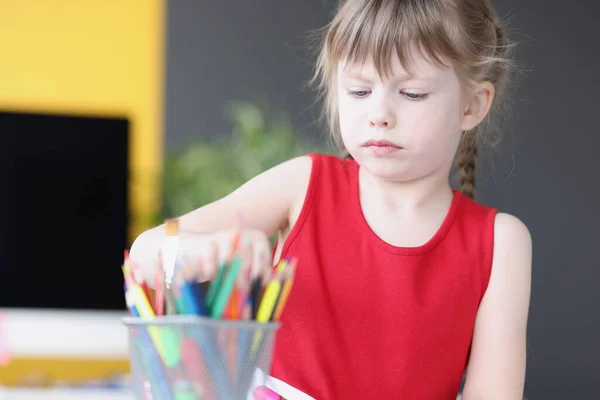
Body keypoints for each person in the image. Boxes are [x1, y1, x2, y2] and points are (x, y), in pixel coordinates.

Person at [129, 0, 532, 398]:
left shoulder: (502, 242)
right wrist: (201, 253)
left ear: (472, 104)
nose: (379, 113)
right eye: (358, 90)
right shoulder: (303, 183)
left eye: (411, 93)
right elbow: (146, 251)